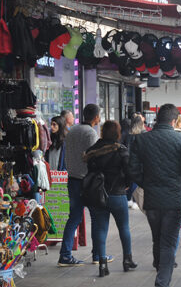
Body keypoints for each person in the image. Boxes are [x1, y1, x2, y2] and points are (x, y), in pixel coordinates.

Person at [129, 104, 181, 287]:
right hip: (174, 200)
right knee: (169, 243)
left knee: (158, 237)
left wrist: (148, 184)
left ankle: (158, 266)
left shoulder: (141, 140)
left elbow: (133, 170)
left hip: (152, 199)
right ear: (174, 121)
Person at [83, 121, 135, 276]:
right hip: (117, 194)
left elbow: (90, 172)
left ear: (102, 133)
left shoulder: (92, 150)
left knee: (100, 228)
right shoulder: (121, 150)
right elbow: (129, 171)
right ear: (117, 134)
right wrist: (126, 185)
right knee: (124, 227)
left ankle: (102, 264)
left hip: (98, 194)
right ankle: (127, 259)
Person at [58, 104, 100, 266]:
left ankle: (65, 255)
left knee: (73, 218)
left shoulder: (73, 130)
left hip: (73, 179)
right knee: (96, 217)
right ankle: (97, 254)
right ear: (96, 117)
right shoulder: (90, 133)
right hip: (87, 181)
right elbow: (93, 157)